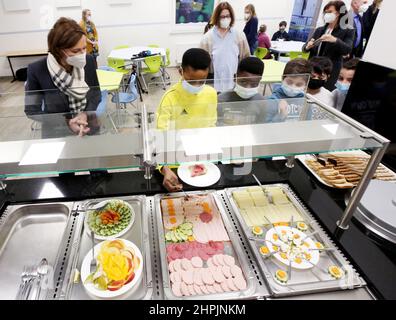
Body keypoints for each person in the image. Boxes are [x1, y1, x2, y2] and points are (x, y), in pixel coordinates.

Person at [25, 18, 101, 138]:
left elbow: (95, 93)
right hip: (56, 132)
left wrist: (85, 114)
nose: (82, 54)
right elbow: (32, 110)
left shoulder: (89, 61)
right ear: (58, 50)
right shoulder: (37, 70)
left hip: (88, 126)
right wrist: (66, 122)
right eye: (76, 50)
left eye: (84, 48)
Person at [156, 48, 217, 192]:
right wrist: (165, 169)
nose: (196, 85)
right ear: (180, 71)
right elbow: (160, 137)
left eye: (201, 81)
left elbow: (211, 126)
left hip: (203, 160)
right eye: (191, 80)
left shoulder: (211, 93)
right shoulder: (169, 97)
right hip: (175, 162)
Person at [303, 1, 355, 91]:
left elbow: (347, 49)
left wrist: (334, 40)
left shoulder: (347, 30)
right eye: (325, 12)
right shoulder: (320, 30)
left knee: (325, 94)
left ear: (338, 13)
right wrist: (308, 46)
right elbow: (305, 48)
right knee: (308, 91)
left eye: (330, 12)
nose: (327, 14)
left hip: (331, 71)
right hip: (313, 68)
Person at [200, 1, 250, 93]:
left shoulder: (239, 35)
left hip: (234, 82)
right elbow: (202, 63)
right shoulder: (207, 38)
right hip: (213, 83)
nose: (225, 19)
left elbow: (246, 58)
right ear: (217, 18)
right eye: (222, 17)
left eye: (228, 16)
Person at [217, 57, 265, 126]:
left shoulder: (261, 102)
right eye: (243, 82)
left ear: (259, 81)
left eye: (254, 84)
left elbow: (261, 126)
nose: (247, 88)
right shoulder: (221, 100)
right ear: (235, 77)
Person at [266, 58, 312, 123]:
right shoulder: (273, 101)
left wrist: (303, 117)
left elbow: (309, 125)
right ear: (282, 78)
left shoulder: (306, 102)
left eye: (299, 85)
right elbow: (265, 126)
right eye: (289, 82)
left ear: (306, 85)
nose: (293, 87)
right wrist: (280, 116)